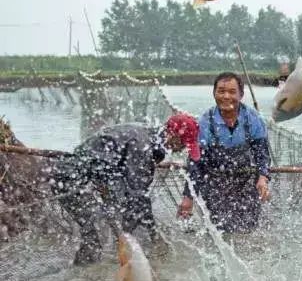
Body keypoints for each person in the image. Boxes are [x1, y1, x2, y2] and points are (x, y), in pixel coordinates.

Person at [50, 115, 197, 265]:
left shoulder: (149, 136)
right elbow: (138, 194)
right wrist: (155, 234)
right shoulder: (142, 145)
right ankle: (81, 276)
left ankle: (101, 268)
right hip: (68, 179)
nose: (184, 148)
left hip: (89, 176)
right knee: (99, 230)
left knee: (119, 220)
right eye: (184, 143)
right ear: (172, 135)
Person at [177, 72, 272, 233]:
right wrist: (188, 196)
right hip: (215, 181)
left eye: (232, 92)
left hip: (246, 180)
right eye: (221, 91)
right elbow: (196, 162)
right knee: (219, 229)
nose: (226, 96)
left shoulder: (253, 118)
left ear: (241, 95)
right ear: (214, 93)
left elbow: (262, 153)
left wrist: (263, 177)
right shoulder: (206, 122)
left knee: (248, 228)